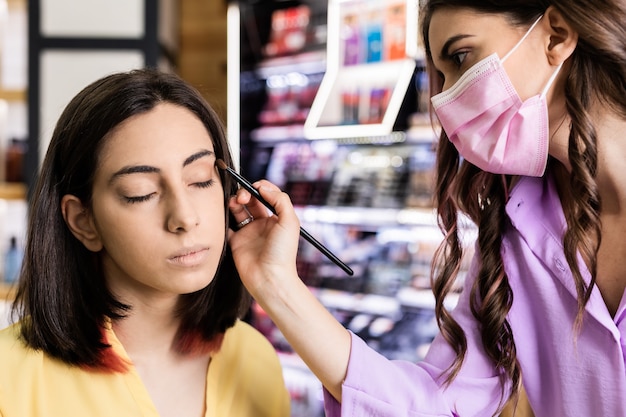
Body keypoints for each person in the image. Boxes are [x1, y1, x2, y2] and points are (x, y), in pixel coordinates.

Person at [227, 1, 626, 416]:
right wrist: (276, 283)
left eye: (460, 57)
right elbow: (435, 404)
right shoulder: (517, 229)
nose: (444, 98)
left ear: (556, 35)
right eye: (440, 76)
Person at [0, 69, 291, 417]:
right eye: (142, 193)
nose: (185, 217)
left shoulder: (255, 359)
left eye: (200, 181)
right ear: (83, 221)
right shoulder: (11, 379)